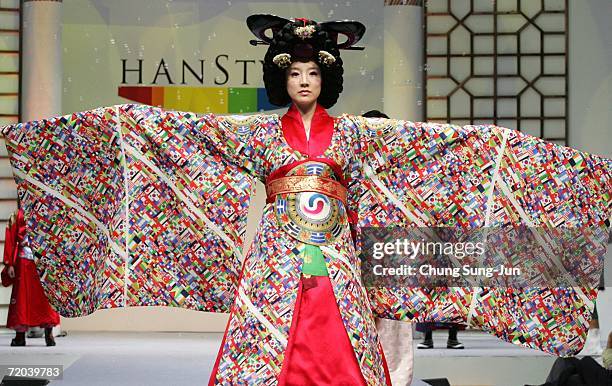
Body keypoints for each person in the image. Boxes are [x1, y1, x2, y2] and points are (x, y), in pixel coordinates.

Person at [0, 14, 610, 385]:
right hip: (275, 259)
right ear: (281, 79)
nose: (303, 82)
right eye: (293, 74)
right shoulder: (263, 133)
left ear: (327, 79)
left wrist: (494, 147)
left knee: (346, 344)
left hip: (337, 258)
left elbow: (435, 148)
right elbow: (185, 132)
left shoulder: (355, 134)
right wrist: (123, 123)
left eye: (313, 74)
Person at [3, 208, 59, 346]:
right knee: (26, 297)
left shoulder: (47, 212)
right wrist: (9, 263)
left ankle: (45, 334)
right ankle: (24, 336)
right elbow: (11, 238)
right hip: (29, 260)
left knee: (40, 297)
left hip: (38, 260)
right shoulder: (20, 214)